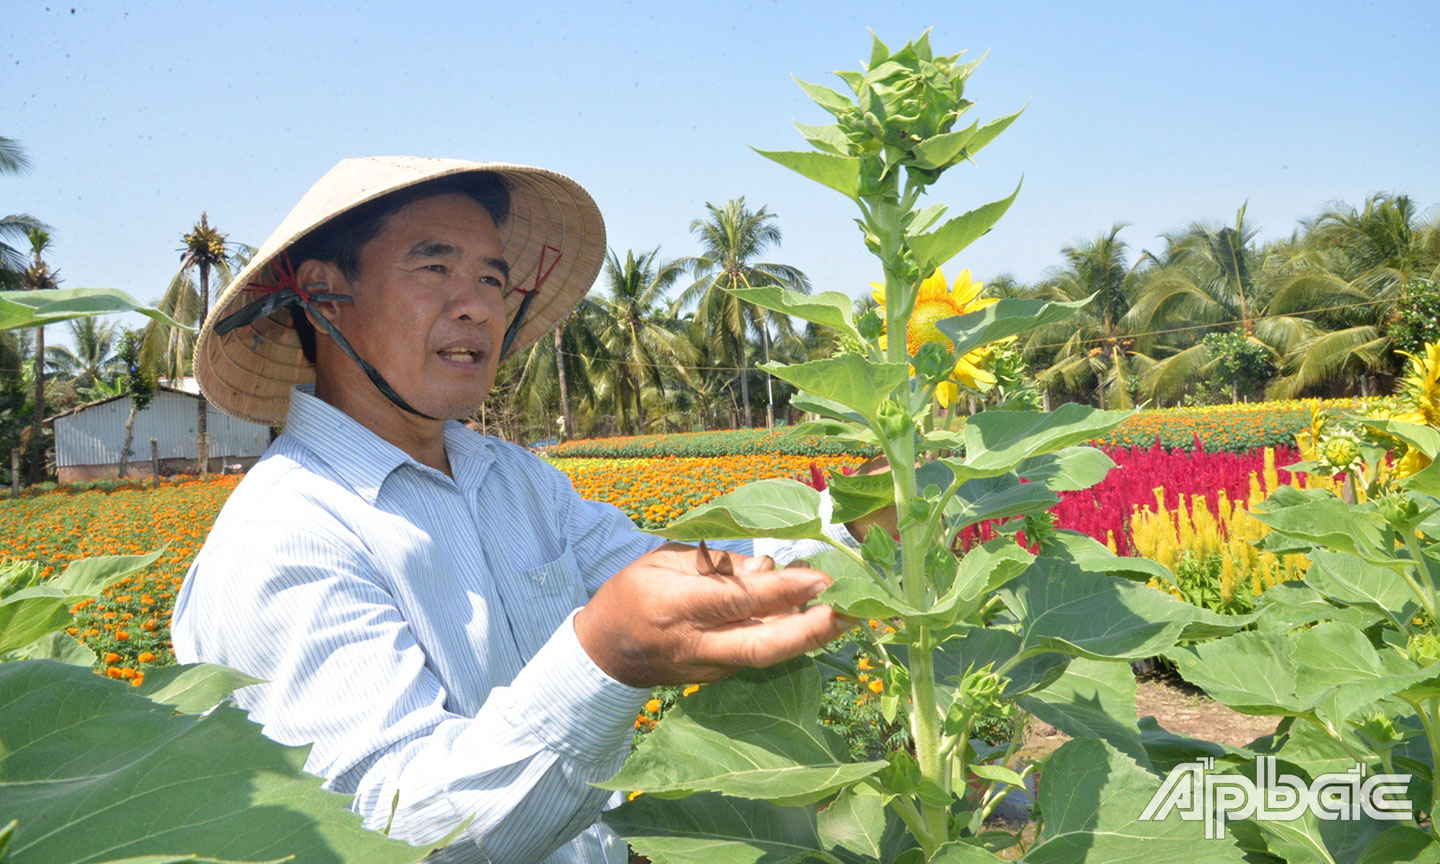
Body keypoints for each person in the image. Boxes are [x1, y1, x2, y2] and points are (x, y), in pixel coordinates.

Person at [171, 157, 868, 864]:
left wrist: (854, 519)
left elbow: (680, 574)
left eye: (493, 280)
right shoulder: (285, 537)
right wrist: (604, 657)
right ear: (322, 297)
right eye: (434, 269)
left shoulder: (512, 479)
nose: (476, 305)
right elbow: (401, 831)